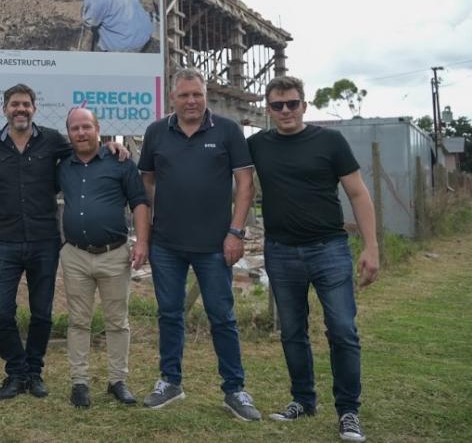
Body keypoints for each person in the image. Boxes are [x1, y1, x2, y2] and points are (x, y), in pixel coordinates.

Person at [248, 75, 379, 442]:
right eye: (278, 105)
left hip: (330, 250)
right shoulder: (257, 144)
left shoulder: (330, 141)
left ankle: (348, 411)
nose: (286, 110)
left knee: (342, 330)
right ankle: (303, 400)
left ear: (304, 105)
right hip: (281, 252)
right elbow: (217, 160)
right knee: (291, 331)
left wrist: (371, 247)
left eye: (292, 103)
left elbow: (358, 192)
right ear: (269, 109)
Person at [0, 83, 128, 401]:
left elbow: (85, 152)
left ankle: (34, 373)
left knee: (42, 312)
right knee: (1, 311)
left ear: (34, 108)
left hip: (44, 240)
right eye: (14, 104)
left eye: (26, 104)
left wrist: (110, 147)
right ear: (4, 109)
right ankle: (15, 372)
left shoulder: (52, 140)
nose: (20, 109)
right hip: (5, 241)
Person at [137, 68, 262, 421]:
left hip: (215, 245)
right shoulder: (156, 133)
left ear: (205, 95)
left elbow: (245, 184)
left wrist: (235, 233)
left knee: (222, 317)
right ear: (171, 98)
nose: (191, 101)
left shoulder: (227, 130)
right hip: (167, 245)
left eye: (197, 94)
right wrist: (144, 238)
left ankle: (235, 389)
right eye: (184, 95)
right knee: (169, 314)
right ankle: (170, 382)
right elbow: (144, 186)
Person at [58, 106, 150, 408]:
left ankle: (117, 380)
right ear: (69, 133)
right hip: (75, 255)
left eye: (87, 127)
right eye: (75, 128)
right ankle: (79, 382)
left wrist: (142, 243)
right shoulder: (63, 164)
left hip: (114, 254)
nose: (81, 133)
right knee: (78, 321)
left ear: (98, 129)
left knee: (117, 321)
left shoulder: (120, 161)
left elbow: (139, 202)